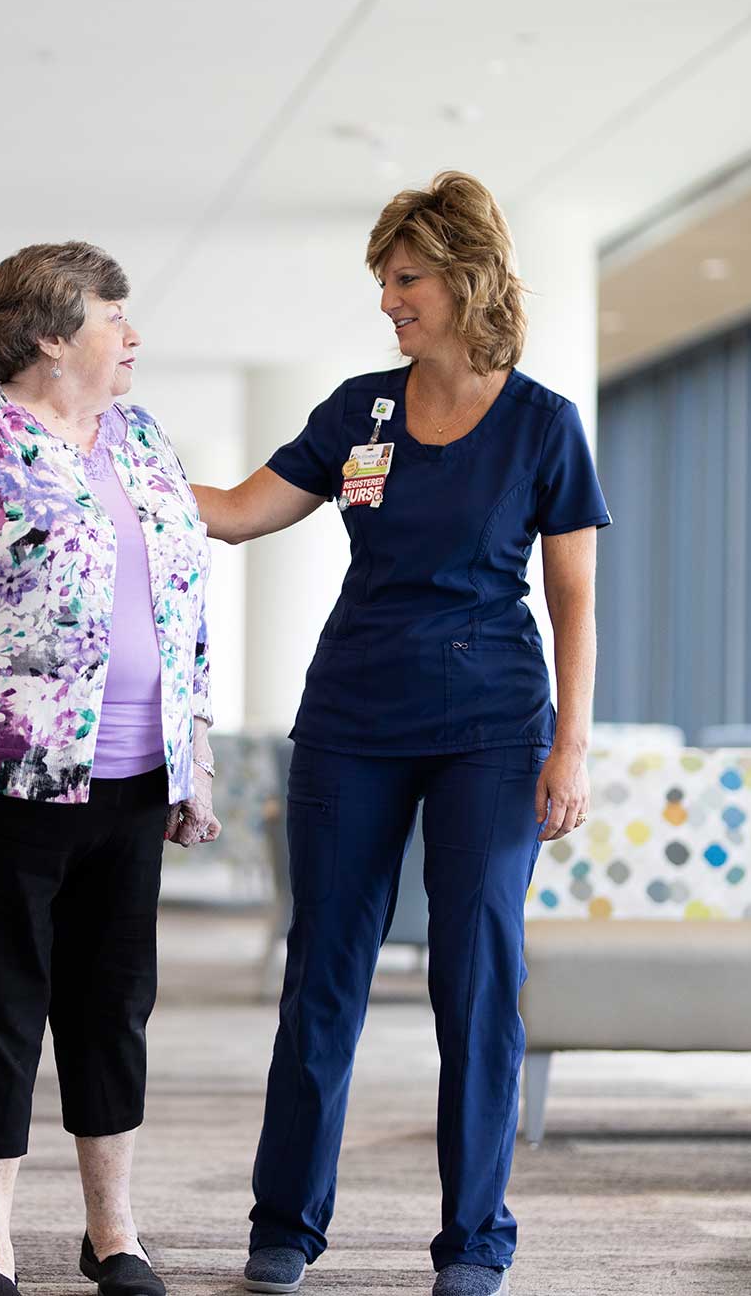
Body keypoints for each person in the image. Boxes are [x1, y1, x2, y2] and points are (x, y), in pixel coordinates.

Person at [193, 173, 610, 1296]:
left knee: (475, 975)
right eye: (383, 279)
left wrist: (569, 746)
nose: (388, 299)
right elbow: (236, 511)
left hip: (488, 725)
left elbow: (573, 596)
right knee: (321, 965)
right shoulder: (357, 411)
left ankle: (474, 1237)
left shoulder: (541, 424)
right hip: (349, 720)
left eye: (406, 277)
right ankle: (284, 1220)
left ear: (463, 277)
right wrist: (113, 472)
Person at [0, 241, 220, 1296]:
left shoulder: (142, 439)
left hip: (129, 775)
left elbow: (183, 606)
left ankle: (113, 1232)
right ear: (53, 335)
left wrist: (190, 751)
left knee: (113, 1002)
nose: (133, 334)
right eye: (116, 315)